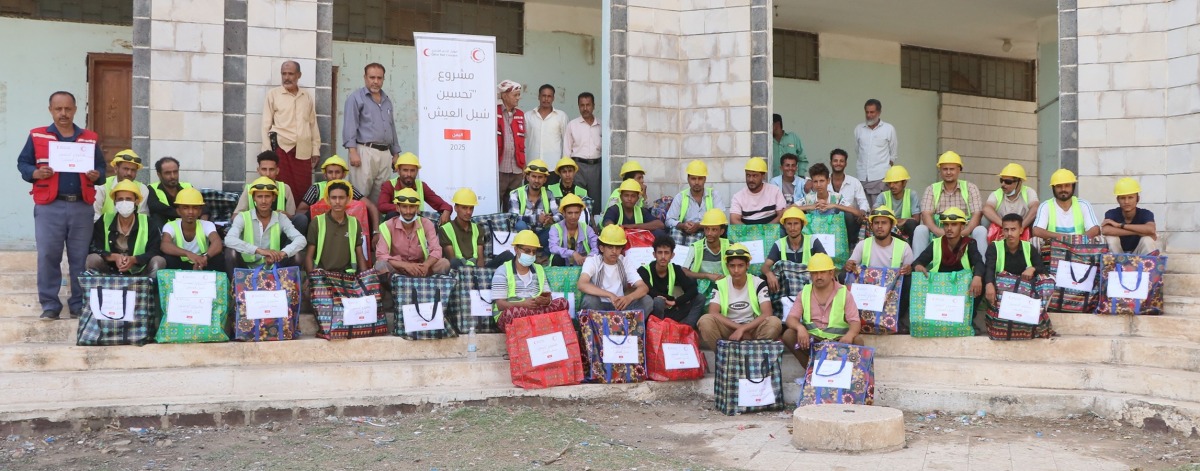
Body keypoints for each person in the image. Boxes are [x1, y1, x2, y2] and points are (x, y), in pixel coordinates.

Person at [18, 91, 106, 320]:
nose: (63, 113)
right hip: (49, 207)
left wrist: (97, 175)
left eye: (68, 109)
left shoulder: (89, 138)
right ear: (51, 110)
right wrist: (35, 172)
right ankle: (50, 304)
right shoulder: (37, 135)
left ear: (75, 109)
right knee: (48, 255)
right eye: (58, 109)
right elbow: (23, 163)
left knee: (80, 258)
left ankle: (77, 304)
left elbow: (102, 170)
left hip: (81, 206)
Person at [696, 243, 783, 351]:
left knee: (774, 322)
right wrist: (739, 329)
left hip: (752, 328)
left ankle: (755, 354)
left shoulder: (758, 283)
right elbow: (713, 312)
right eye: (732, 266)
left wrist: (744, 329)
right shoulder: (720, 284)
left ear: (747, 265)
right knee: (705, 320)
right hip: (728, 328)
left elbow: (767, 313)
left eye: (740, 265)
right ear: (727, 266)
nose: (736, 270)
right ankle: (724, 355)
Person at [913, 208, 986, 332]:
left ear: (962, 227)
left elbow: (979, 263)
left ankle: (969, 319)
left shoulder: (969, 243)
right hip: (939, 289)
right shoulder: (936, 243)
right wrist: (918, 266)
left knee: (981, 280)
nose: (949, 228)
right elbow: (918, 261)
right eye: (946, 225)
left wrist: (977, 277)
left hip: (962, 291)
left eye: (954, 224)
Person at [781, 253, 862, 365]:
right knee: (789, 335)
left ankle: (844, 375)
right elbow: (791, 318)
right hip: (812, 341)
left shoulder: (844, 293)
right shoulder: (804, 292)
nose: (818, 277)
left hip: (837, 341)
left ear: (831, 273)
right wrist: (800, 328)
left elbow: (855, 322)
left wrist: (849, 335)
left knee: (857, 340)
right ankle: (811, 371)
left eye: (822, 272)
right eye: (814, 273)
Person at [343, 62, 400, 204]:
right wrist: (352, 152)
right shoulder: (356, 98)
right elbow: (350, 125)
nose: (376, 81)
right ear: (365, 78)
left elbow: (391, 127)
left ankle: (377, 226)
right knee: (360, 194)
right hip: (364, 152)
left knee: (382, 196)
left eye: (379, 78)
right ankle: (359, 226)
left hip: (385, 153)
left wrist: (396, 153)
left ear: (383, 79)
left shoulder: (387, 100)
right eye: (372, 77)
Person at [261, 60, 320, 196]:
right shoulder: (273, 94)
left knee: (303, 188)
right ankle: (283, 216)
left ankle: (299, 217)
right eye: (284, 74)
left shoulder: (306, 96)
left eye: (290, 74)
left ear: (298, 75)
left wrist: (315, 149)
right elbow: (265, 124)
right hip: (282, 148)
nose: (286, 77)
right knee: (282, 189)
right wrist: (267, 153)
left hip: (303, 150)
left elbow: (313, 124)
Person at [86, 180, 167, 278]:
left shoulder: (148, 222)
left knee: (159, 261)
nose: (124, 202)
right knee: (92, 259)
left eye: (128, 199)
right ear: (114, 202)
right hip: (110, 271)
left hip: (140, 270)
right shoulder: (104, 220)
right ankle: (98, 290)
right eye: (120, 199)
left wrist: (135, 259)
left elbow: (155, 250)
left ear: (136, 201)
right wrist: (114, 257)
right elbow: (93, 247)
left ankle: (150, 290)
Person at [223, 177, 308, 270]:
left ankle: (288, 284)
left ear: (273, 198)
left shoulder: (281, 217)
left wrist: (282, 253)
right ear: (254, 198)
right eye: (259, 196)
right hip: (246, 268)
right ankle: (235, 284)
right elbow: (229, 239)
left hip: (274, 268)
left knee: (297, 256)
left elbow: (301, 239)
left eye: (267, 196)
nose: (263, 201)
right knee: (230, 252)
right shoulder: (242, 217)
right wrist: (259, 251)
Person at [490, 230, 568, 332]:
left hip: (535, 309)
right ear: (516, 249)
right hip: (513, 312)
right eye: (527, 251)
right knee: (513, 313)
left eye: (534, 252)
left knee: (563, 303)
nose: (531, 254)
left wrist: (545, 301)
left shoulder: (539, 269)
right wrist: (523, 304)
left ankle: (536, 323)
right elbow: (500, 305)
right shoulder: (503, 270)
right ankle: (542, 322)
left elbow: (547, 296)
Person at [915, 151, 988, 258]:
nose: (948, 172)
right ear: (940, 170)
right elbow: (926, 215)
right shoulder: (931, 189)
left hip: (964, 230)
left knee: (981, 230)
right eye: (945, 169)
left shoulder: (970, 188)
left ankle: (982, 271)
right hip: (938, 231)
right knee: (920, 230)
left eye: (952, 169)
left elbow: (976, 214)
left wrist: (963, 233)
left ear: (959, 170)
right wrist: (941, 232)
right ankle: (918, 270)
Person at [295, 155, 381, 237]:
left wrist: (376, 232)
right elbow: (300, 211)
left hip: (345, 230)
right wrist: (318, 209)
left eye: (337, 172)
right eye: (330, 172)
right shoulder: (316, 188)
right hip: (319, 230)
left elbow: (371, 207)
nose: (333, 176)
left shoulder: (349, 189)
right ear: (325, 175)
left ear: (343, 175)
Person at [577, 225, 655, 314]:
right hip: (599, 306)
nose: (614, 251)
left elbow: (643, 287)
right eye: (610, 247)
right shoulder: (592, 261)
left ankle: (626, 325)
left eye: (618, 247)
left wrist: (629, 298)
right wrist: (610, 295)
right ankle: (600, 326)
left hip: (621, 306)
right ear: (602, 248)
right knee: (589, 300)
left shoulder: (625, 261)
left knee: (647, 300)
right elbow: (582, 284)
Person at [375, 188, 450, 276]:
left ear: (417, 208)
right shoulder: (387, 226)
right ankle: (391, 288)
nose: (408, 211)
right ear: (398, 208)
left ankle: (430, 287)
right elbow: (381, 255)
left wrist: (426, 265)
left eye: (412, 207)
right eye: (404, 206)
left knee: (444, 263)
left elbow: (436, 250)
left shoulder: (426, 223)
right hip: (398, 268)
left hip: (421, 268)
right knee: (380, 265)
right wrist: (406, 266)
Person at [637, 234, 704, 327]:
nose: (663, 256)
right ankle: (657, 330)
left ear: (672, 255)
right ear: (654, 254)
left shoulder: (675, 269)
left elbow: (692, 289)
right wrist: (669, 299)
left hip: (671, 309)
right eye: (660, 252)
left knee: (700, 298)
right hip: (653, 313)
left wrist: (675, 302)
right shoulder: (644, 270)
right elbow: (649, 291)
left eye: (666, 253)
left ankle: (686, 328)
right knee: (658, 301)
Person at [305, 180, 369, 274]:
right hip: (322, 275)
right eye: (334, 198)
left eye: (341, 198)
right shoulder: (317, 222)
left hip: (347, 276)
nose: (337, 202)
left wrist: (365, 277)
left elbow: (360, 255)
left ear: (348, 199)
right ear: (328, 199)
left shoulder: (354, 222)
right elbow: (309, 256)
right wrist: (311, 278)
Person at [984, 213, 1047, 305]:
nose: (1009, 233)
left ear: (1021, 230)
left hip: (1025, 293)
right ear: (1002, 231)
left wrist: (1032, 269)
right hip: (1001, 291)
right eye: (1006, 230)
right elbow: (989, 268)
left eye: (1013, 229)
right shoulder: (994, 247)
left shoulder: (1029, 248)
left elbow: (1042, 268)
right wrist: (989, 284)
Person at [762, 207, 827, 293]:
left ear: (802, 225)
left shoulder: (812, 241)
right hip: (787, 289)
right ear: (784, 225)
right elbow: (765, 266)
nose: (792, 228)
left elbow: (826, 263)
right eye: (789, 224)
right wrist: (769, 274)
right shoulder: (779, 244)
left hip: (810, 287)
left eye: (796, 223)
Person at [377, 152, 452, 224]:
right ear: (398, 171)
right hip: (396, 227)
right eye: (405, 170)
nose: (409, 174)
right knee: (392, 214)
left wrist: (446, 210)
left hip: (417, 225)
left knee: (443, 217)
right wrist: (405, 208)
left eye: (412, 170)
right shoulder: (389, 185)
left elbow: (442, 204)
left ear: (417, 171)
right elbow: (382, 206)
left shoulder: (421, 185)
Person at [160, 188, 224, 271]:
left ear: (200, 211)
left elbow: (217, 243)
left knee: (218, 258)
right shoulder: (170, 226)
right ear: (178, 211)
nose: (190, 212)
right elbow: (164, 245)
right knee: (168, 258)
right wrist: (188, 254)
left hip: (203, 263)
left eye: (195, 208)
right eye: (185, 208)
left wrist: (205, 257)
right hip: (180, 265)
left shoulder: (207, 225)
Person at [1032, 168, 1101, 242]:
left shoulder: (1083, 205)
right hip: (1054, 247)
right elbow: (1036, 231)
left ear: (1073, 187)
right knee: (1034, 241)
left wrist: (1077, 240)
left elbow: (1095, 229)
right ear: (1053, 188)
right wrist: (1063, 238)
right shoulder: (1045, 206)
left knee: (1101, 239)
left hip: (1079, 247)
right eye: (1059, 186)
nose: (1063, 189)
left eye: (1067, 185)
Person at [666, 160, 726, 244]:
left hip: (708, 233)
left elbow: (721, 220)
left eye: (700, 178)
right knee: (675, 232)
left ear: (705, 179)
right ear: (688, 179)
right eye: (693, 178)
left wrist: (698, 226)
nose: (697, 182)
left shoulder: (714, 195)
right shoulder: (680, 197)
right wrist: (682, 225)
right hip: (685, 233)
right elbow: (669, 220)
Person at [508, 159, 561, 251]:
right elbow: (514, 218)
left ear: (545, 180)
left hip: (542, 235)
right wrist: (537, 218)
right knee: (520, 225)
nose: (536, 180)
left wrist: (551, 219)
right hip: (523, 237)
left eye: (540, 177)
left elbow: (560, 215)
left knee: (556, 228)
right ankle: (528, 252)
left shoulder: (549, 194)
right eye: (533, 176)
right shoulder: (516, 194)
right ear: (527, 177)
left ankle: (543, 257)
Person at [854, 98, 898, 206]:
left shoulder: (888, 129)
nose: (869, 115)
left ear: (879, 112)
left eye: (872, 112)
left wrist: (884, 170)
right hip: (862, 177)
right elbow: (858, 151)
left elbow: (893, 154)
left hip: (881, 178)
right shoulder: (858, 129)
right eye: (867, 112)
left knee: (880, 211)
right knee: (864, 210)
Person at [845, 207, 914, 275]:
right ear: (871, 226)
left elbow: (909, 270)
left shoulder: (904, 247)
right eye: (876, 223)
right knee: (844, 275)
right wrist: (849, 266)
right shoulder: (863, 244)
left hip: (894, 284)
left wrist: (908, 270)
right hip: (867, 284)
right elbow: (851, 266)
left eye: (884, 223)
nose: (879, 226)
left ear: (892, 225)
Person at [564, 91, 602, 213]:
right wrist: (568, 171)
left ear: (594, 106)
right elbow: (566, 150)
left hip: (596, 167)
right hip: (577, 168)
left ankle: (595, 227)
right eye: (582, 105)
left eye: (588, 105)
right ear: (578, 106)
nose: (585, 108)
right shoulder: (572, 125)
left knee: (596, 200)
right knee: (578, 199)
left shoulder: (602, 125)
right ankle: (580, 226)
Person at [1102, 177, 1159, 254]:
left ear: (1137, 199)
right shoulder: (1112, 213)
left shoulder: (1145, 213)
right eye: (1122, 198)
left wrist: (1120, 225)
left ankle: (1147, 265)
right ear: (1117, 200)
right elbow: (1106, 230)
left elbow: (1151, 230)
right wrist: (1138, 232)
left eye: (1130, 197)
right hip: (1118, 255)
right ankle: (1115, 265)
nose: (1126, 201)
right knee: (1111, 238)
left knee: (1147, 239)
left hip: (1139, 255)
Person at [827, 149, 871, 246]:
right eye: (835, 160)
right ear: (830, 163)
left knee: (848, 214)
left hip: (850, 222)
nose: (838, 163)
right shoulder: (824, 181)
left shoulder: (854, 182)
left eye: (841, 161)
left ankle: (851, 245)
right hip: (828, 220)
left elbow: (863, 202)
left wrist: (862, 211)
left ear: (845, 163)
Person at [234, 151, 299, 216]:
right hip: (255, 225)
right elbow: (235, 216)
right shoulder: (249, 188)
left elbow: (292, 216)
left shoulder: (285, 188)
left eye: (271, 169)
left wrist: (284, 215)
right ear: (258, 170)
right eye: (264, 169)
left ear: (277, 171)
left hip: (280, 224)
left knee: (301, 219)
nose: (267, 174)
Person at [982, 163, 1038, 238]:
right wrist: (1006, 227)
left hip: (1024, 230)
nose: (1003, 184)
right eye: (1001, 180)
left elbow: (1035, 208)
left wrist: (1020, 228)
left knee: (1037, 219)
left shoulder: (1029, 192)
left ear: (1019, 182)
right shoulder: (997, 193)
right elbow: (986, 209)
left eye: (1008, 182)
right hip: (1001, 231)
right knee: (984, 220)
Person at [92, 149, 149, 220]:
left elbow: (142, 217)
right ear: (116, 169)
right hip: (105, 229)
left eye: (133, 170)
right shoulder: (102, 186)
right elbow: (95, 215)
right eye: (125, 169)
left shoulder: (142, 189)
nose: (129, 173)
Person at [496, 79, 526, 211]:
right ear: (504, 95)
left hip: (517, 169)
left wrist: (524, 165)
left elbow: (523, 142)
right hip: (499, 168)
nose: (518, 98)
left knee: (513, 205)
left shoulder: (520, 114)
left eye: (519, 95)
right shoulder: (493, 111)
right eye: (516, 95)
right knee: (496, 203)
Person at [730, 157, 787, 225]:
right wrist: (752, 233)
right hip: (747, 231)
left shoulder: (774, 191)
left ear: (763, 176)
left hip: (771, 229)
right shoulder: (738, 196)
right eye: (748, 175)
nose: (751, 179)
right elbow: (734, 220)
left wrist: (766, 230)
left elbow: (781, 214)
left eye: (755, 176)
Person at [438, 188, 485, 268]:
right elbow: (451, 259)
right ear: (456, 208)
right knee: (454, 262)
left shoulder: (478, 228)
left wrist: (480, 273)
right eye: (464, 208)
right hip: (458, 269)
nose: (468, 212)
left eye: (471, 208)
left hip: (476, 269)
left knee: (506, 256)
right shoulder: (445, 229)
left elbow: (480, 259)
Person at [548, 194, 598, 266]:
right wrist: (572, 253)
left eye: (576, 213)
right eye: (570, 213)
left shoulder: (587, 228)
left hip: (582, 265)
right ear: (564, 213)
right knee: (557, 258)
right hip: (562, 266)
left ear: (580, 213)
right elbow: (553, 248)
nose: (573, 216)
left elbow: (596, 246)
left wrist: (589, 257)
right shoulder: (555, 228)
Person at [875, 165, 921, 239]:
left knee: (911, 224)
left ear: (904, 183)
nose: (892, 186)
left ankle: (912, 249)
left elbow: (916, 220)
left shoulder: (912, 195)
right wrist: (902, 221)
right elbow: (874, 214)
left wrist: (896, 221)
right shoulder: (883, 196)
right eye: (889, 183)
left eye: (896, 182)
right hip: (888, 228)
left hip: (905, 228)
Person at [526, 84, 568, 164]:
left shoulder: (561, 116)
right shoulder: (528, 116)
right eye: (543, 95)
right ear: (539, 97)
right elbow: (522, 141)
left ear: (553, 98)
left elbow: (566, 142)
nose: (546, 99)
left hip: (554, 166)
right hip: (532, 166)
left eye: (549, 96)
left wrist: (564, 164)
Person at [147, 156, 194, 227]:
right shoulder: (152, 188)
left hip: (188, 228)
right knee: (157, 216)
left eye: (175, 172)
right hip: (165, 230)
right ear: (159, 175)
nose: (173, 176)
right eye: (167, 173)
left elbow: (203, 206)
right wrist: (183, 214)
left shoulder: (188, 187)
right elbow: (156, 207)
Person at [687, 209, 731, 281]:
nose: (709, 233)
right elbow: (685, 271)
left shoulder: (730, 246)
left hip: (724, 287)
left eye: (714, 230)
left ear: (722, 231)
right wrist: (707, 275)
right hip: (699, 289)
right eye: (707, 229)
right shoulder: (695, 247)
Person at [772, 113, 806, 178]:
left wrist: (801, 175)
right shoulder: (767, 141)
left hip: (792, 181)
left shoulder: (793, 137)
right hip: (773, 181)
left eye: (769, 124)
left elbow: (802, 158)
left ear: (777, 124)